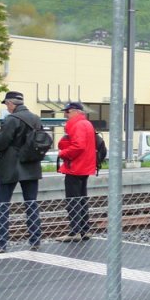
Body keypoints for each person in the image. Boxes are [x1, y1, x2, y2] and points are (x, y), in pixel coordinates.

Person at [0, 91, 43, 252]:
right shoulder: (35, 118)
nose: (7, 108)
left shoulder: (11, 120)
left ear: (11, 103)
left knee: (2, 205)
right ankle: (35, 240)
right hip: (31, 165)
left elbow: (1, 143)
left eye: (6, 105)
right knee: (31, 203)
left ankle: (1, 243)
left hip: (10, 167)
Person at [57, 101, 96, 241]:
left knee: (73, 200)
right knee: (81, 199)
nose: (65, 114)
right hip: (85, 167)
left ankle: (74, 232)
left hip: (75, 167)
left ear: (75, 111)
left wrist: (63, 153)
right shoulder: (86, 124)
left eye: (67, 112)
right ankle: (85, 230)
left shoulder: (78, 125)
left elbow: (78, 146)